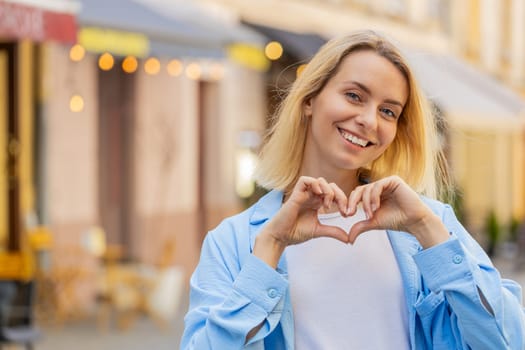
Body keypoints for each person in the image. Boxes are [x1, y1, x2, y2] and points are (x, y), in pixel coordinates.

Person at [180, 30, 525, 349]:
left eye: (388, 111)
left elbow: (505, 341)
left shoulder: (430, 223)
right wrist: (270, 248)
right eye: (354, 96)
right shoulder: (234, 242)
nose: (370, 120)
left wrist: (427, 229)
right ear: (309, 99)